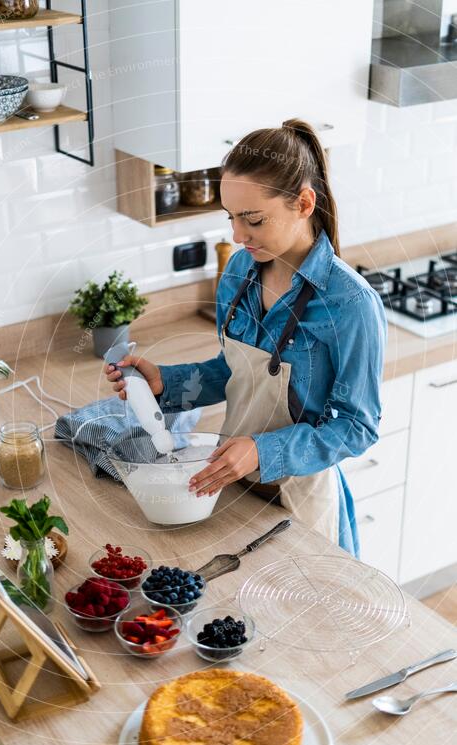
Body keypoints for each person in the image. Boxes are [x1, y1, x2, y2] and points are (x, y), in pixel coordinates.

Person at [105, 119, 387, 556]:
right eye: (231, 217)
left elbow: (356, 427)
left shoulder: (350, 303)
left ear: (304, 203)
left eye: (253, 219)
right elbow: (234, 372)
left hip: (299, 499)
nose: (237, 236)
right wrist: (167, 382)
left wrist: (262, 451)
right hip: (232, 485)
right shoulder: (238, 272)